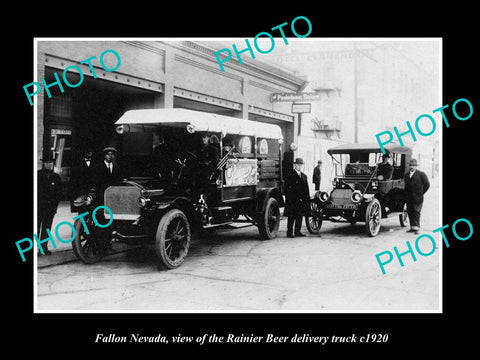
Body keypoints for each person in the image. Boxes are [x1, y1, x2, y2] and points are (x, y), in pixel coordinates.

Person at [37, 153, 62, 255]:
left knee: (47, 228)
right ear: (43, 164)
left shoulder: (56, 177)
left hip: (50, 208)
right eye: (46, 163)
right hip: (39, 206)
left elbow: (59, 193)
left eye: (50, 162)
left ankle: (43, 248)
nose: (48, 165)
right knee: (36, 227)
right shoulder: (38, 175)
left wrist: (54, 205)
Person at [284, 158, 310, 238]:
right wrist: (291, 199)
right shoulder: (290, 175)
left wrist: (307, 199)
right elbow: (287, 189)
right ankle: (289, 232)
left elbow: (306, 189)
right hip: (293, 200)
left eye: (301, 165)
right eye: (298, 165)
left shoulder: (304, 176)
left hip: (302, 201)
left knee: (300, 216)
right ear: (295, 165)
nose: (299, 166)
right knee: (291, 216)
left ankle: (297, 231)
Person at [404, 159, 430, 234]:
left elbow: (427, 185)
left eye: (413, 166)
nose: (412, 167)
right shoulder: (406, 175)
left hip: (418, 197)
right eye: (411, 165)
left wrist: (421, 193)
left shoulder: (421, 174)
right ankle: (412, 227)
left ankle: (417, 228)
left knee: (416, 211)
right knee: (410, 211)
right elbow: (406, 186)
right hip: (409, 197)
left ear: (416, 167)